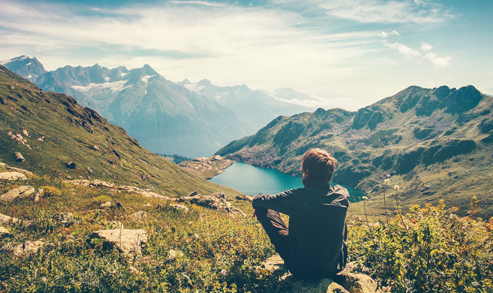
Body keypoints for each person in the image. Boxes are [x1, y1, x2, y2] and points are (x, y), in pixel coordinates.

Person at [252, 148, 349, 281]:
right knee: (337, 213)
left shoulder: (296, 197)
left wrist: (259, 205)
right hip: (335, 267)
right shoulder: (342, 194)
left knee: (264, 208)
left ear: (307, 172)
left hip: (302, 270)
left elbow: (258, 200)